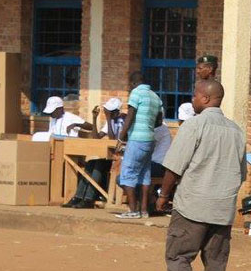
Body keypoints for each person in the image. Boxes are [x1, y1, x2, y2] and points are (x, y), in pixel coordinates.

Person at [157, 80, 247, 271]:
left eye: (195, 95)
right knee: (215, 264)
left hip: (192, 207)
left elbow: (174, 166)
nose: (193, 99)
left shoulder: (195, 125)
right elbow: (240, 174)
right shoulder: (236, 131)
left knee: (177, 256)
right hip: (221, 210)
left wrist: (164, 195)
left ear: (206, 99)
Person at [63, 97, 125, 209]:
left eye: (110, 112)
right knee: (91, 163)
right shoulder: (109, 122)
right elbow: (96, 137)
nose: (108, 113)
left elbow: (112, 138)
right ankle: (78, 196)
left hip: (122, 157)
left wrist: (108, 118)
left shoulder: (123, 121)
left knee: (99, 165)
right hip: (113, 155)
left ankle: (89, 198)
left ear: (117, 112)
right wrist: (95, 118)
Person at [116, 72, 163, 219]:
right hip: (149, 140)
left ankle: (132, 210)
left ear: (132, 83)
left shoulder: (136, 93)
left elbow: (130, 116)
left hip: (137, 139)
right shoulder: (156, 97)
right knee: (144, 175)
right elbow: (159, 122)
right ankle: (144, 210)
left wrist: (121, 137)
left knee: (127, 173)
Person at [176, 55, 218, 121]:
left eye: (200, 68)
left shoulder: (216, 89)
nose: (197, 71)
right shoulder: (199, 85)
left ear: (210, 69)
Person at [146, 119, 172, 214]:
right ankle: (150, 199)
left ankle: (150, 201)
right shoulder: (155, 127)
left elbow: (144, 141)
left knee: (131, 174)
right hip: (156, 164)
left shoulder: (160, 128)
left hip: (159, 165)